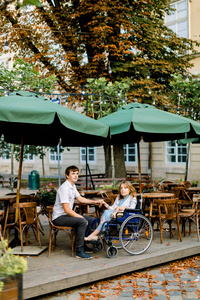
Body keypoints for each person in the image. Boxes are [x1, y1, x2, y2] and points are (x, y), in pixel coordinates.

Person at [52, 165, 104, 260]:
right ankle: (79, 251)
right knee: (82, 221)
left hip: (66, 215)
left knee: (92, 220)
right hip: (59, 218)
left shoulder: (72, 186)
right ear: (67, 176)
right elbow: (67, 210)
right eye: (73, 174)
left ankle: (84, 244)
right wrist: (81, 218)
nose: (76, 176)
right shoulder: (64, 188)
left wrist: (94, 202)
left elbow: (80, 199)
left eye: (77, 173)